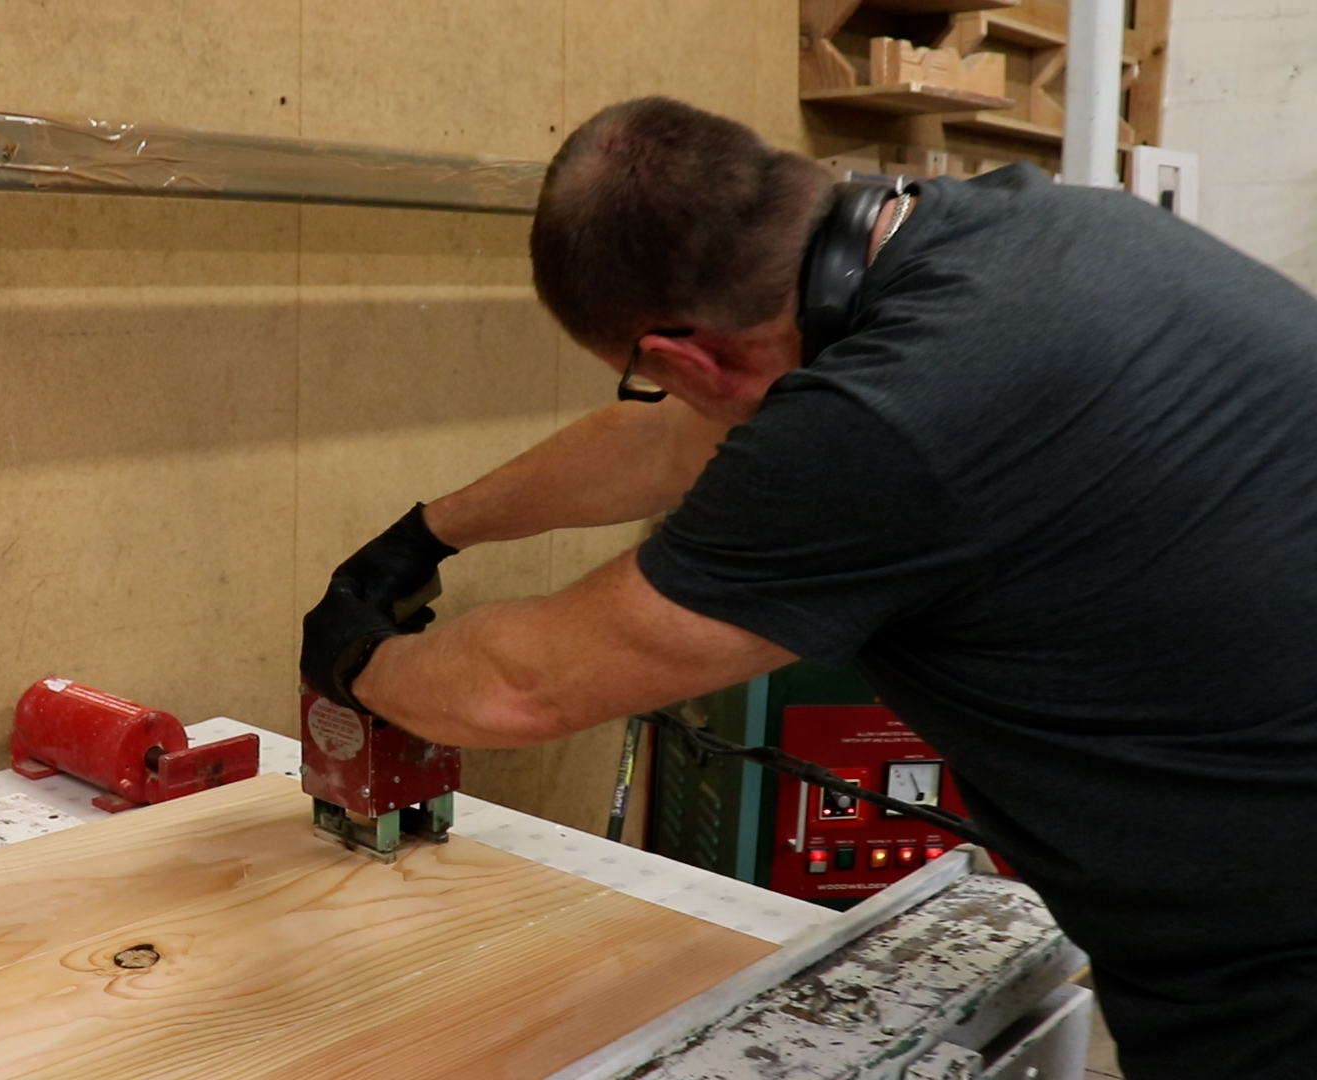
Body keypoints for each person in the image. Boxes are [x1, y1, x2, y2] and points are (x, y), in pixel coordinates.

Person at [299, 96, 1317, 1080]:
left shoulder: (891, 417)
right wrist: (425, 535)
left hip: (1276, 964)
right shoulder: (1034, 226)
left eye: (644, 374)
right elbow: (667, 443)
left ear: (677, 352)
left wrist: (356, 664)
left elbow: (526, 689)